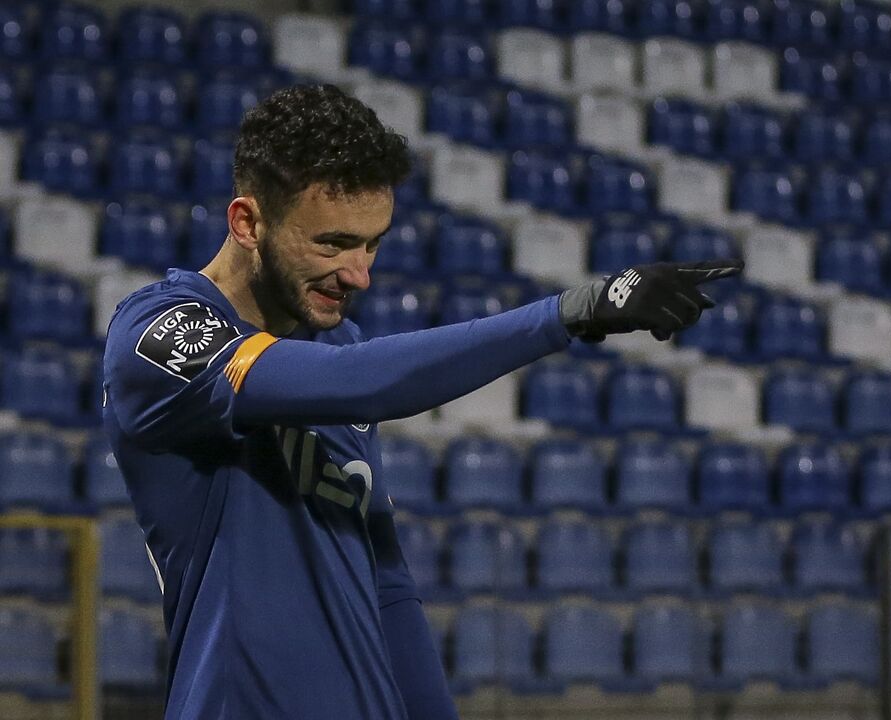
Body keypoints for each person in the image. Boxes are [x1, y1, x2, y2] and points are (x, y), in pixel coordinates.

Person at [102, 84, 741, 720]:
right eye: (331, 244)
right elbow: (352, 381)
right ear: (248, 223)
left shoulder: (340, 345)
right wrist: (566, 314)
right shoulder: (159, 333)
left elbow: (384, 581)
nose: (359, 274)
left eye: (372, 242)